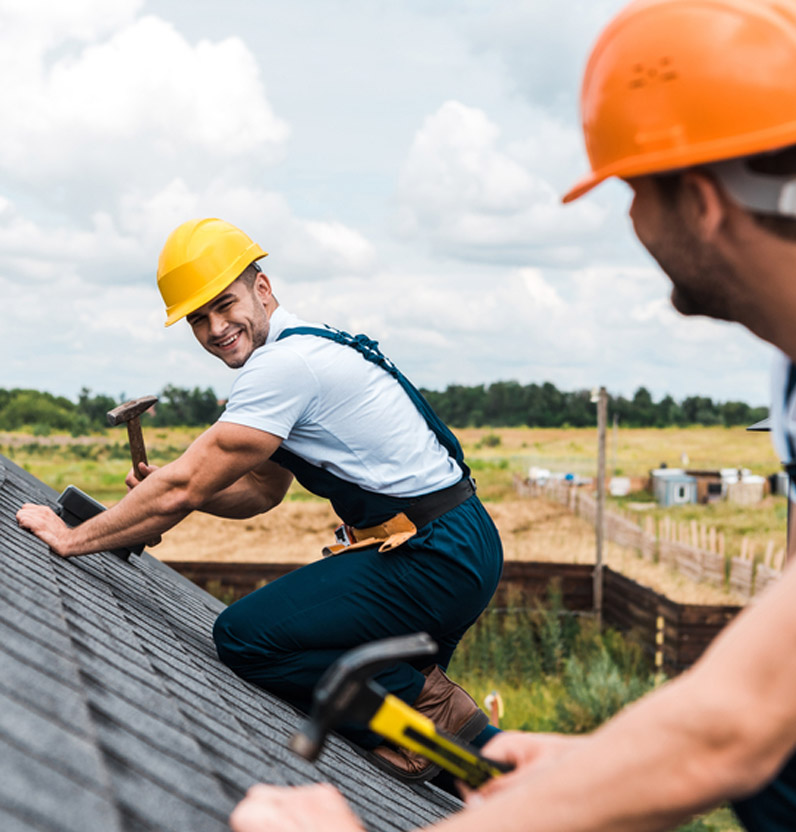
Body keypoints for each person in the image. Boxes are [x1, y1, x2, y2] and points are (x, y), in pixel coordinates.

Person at [229, 1, 796, 832]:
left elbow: (741, 719)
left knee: (794, 728)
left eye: (629, 193)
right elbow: (793, 670)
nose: (630, 222)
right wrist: (599, 768)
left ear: (700, 201)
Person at [16, 218, 504, 781]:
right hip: (459, 543)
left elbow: (183, 485)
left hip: (430, 557)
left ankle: (432, 710)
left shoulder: (282, 368)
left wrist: (75, 537)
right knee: (432, 732)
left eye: (225, 305)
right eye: (199, 319)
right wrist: (178, 491)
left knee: (248, 638)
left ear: (263, 289)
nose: (216, 327)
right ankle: (527, 800)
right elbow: (260, 491)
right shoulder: (302, 350)